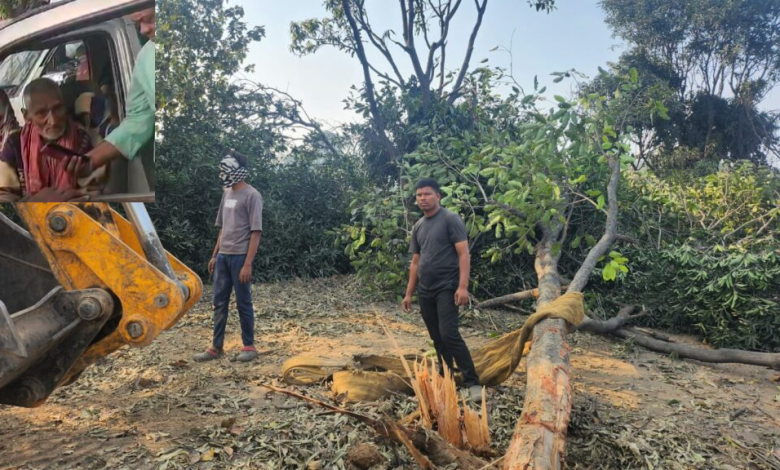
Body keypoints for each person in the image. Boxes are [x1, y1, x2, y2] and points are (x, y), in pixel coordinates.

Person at [402, 178, 482, 401]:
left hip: (447, 286)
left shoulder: (450, 219)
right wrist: (409, 293)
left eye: (427, 194)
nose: (422, 198)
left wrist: (462, 287)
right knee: (437, 337)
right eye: (419, 195)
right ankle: (446, 378)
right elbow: (415, 262)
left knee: (449, 334)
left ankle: (473, 382)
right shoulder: (418, 226)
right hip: (425, 289)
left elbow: (464, 254)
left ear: (438, 196)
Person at [194, 151, 263, 363]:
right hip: (223, 257)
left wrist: (248, 264)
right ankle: (216, 347)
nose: (222, 174)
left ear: (236, 170)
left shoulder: (252, 195)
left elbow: (256, 232)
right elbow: (222, 227)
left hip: (240, 258)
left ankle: (249, 346)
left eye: (225, 170)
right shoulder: (227, 193)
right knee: (219, 303)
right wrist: (215, 255)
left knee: (244, 303)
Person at [0, 78, 90, 202]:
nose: (53, 121)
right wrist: (34, 203)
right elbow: (4, 197)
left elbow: (93, 190)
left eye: (58, 108)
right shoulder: (15, 144)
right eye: (41, 113)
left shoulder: (82, 140)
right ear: (26, 116)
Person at [85, 8, 154, 169]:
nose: (143, 30)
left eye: (149, 20)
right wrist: (90, 160)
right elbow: (138, 119)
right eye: (138, 24)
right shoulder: (146, 57)